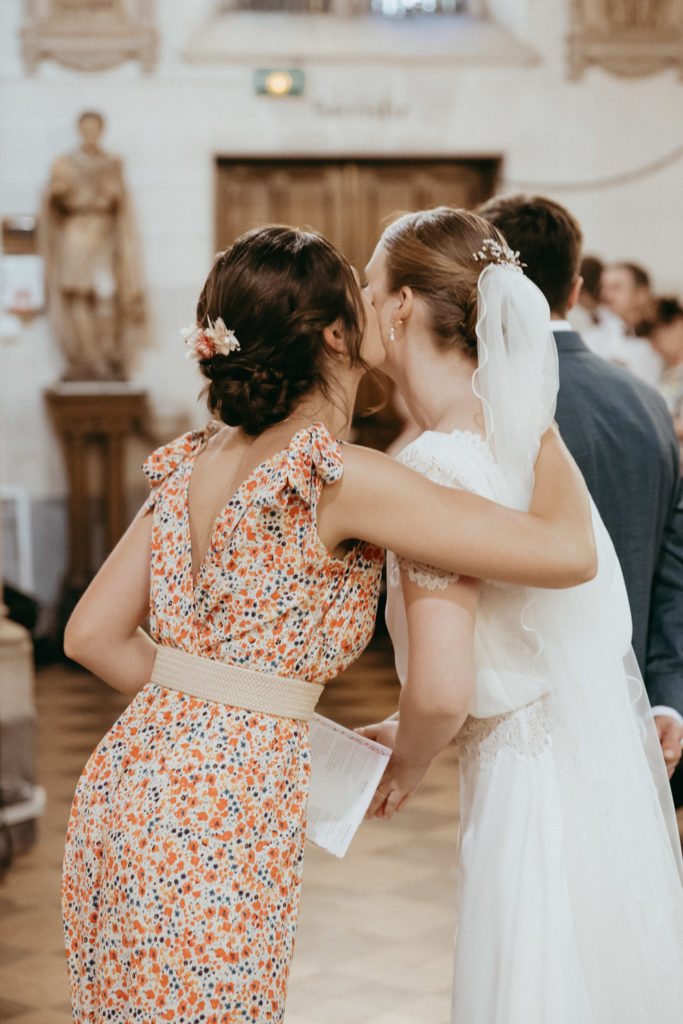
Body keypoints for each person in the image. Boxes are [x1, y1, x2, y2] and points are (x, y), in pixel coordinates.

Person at [61, 225, 595, 1024]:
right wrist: (534, 418)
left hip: (129, 776)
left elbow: (90, 637)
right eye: (358, 292)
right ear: (338, 333)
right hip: (220, 809)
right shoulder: (335, 478)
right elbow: (566, 550)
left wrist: (220, 707)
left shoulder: (192, 462)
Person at [359, 207, 683, 1022]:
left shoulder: (432, 463)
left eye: (368, 286)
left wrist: (407, 756)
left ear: (401, 307)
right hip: (578, 754)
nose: (358, 304)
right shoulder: (525, 435)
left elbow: (440, 688)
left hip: (520, 778)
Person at [477, 193, 683, 781]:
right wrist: (668, 694)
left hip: (527, 720)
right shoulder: (647, 405)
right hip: (634, 705)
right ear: (575, 287)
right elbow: (673, 564)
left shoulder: (489, 406)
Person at [43, 110, 146, 381]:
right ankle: (86, 360)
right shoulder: (65, 163)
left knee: (106, 296)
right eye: (85, 128)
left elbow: (120, 200)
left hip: (103, 235)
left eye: (95, 128)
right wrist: (61, 193)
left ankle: (107, 356)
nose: (90, 132)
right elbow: (55, 196)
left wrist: (111, 195)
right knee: (78, 296)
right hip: (76, 232)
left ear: (101, 130)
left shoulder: (113, 162)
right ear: (80, 130)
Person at [584, 260, 663, 385]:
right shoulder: (594, 337)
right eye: (604, 287)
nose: (606, 295)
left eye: (616, 288)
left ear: (641, 294)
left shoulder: (665, 336)